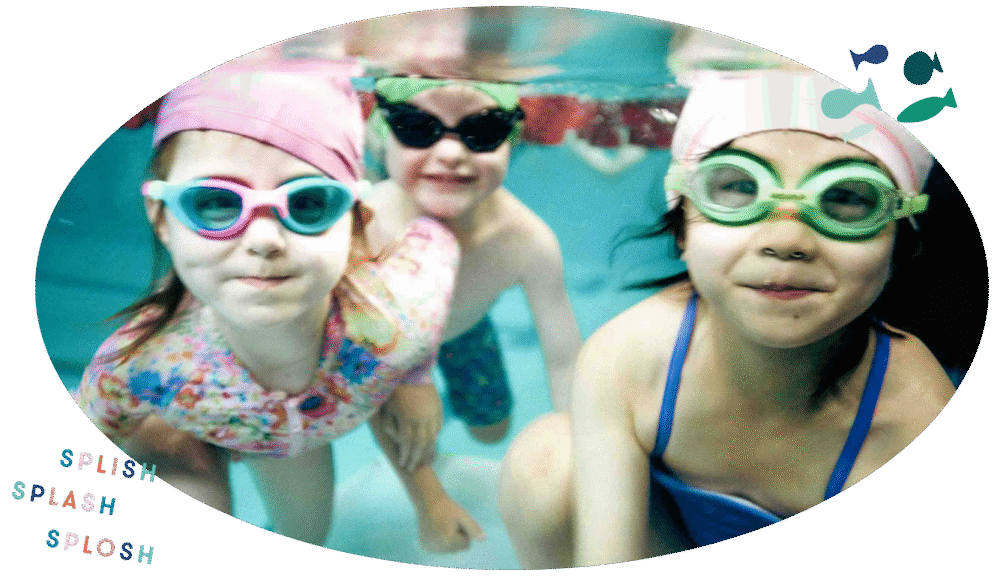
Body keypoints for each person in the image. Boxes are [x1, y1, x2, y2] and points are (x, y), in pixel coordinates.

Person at [497, 71, 957, 567]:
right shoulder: (632, 355)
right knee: (544, 462)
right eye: (739, 188)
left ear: (899, 246)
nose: (787, 240)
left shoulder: (915, 418)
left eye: (846, 198)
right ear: (682, 230)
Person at [72, 60, 485, 551]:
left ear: (355, 220)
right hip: (170, 418)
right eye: (215, 202)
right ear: (161, 217)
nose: (265, 240)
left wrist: (416, 381)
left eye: (308, 203)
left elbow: (434, 243)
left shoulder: (395, 320)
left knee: (307, 536)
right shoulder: (139, 367)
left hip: (278, 435)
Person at [364, 76, 582, 443]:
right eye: (415, 128)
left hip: (464, 330)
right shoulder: (364, 221)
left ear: (510, 140)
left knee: (492, 433)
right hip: (383, 345)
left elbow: (565, 360)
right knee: (409, 440)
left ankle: (448, 403)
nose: (451, 154)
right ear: (388, 136)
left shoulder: (527, 241)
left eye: (484, 130)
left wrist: (580, 446)